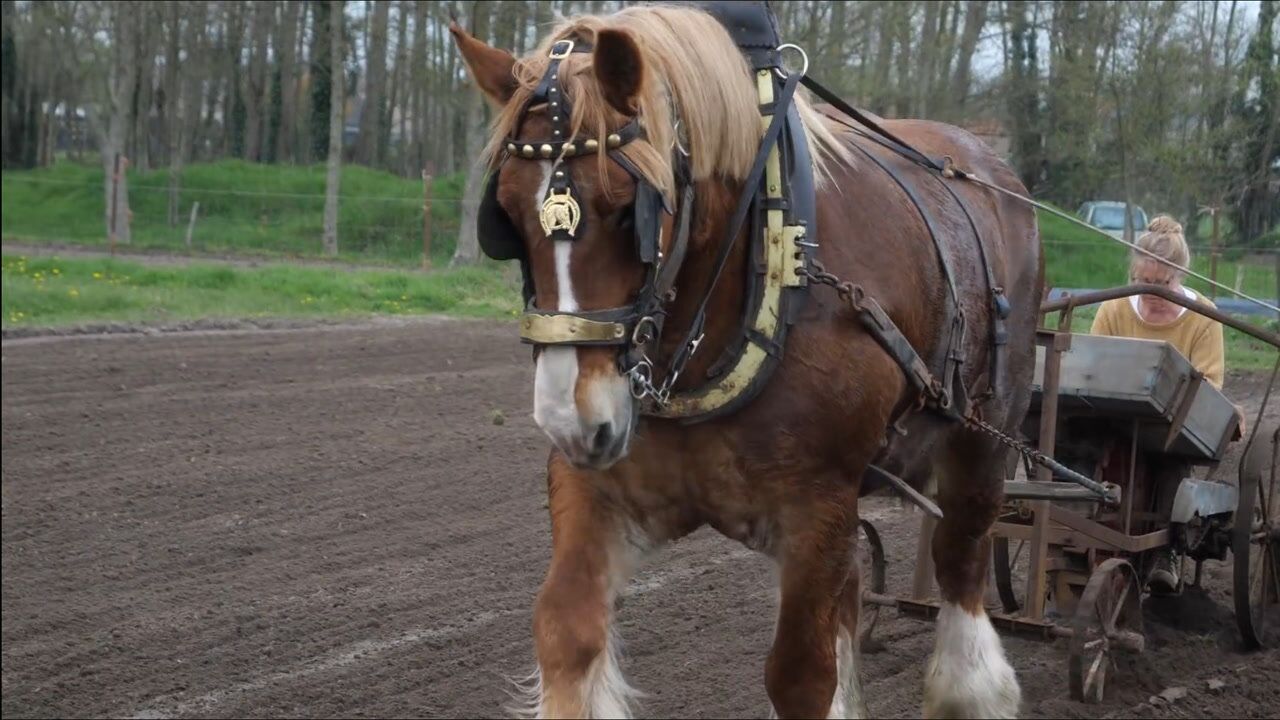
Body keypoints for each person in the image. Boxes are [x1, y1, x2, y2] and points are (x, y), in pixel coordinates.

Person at [1089, 215, 1227, 594]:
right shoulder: (1114, 309)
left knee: (1170, 455)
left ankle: (1166, 551)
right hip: (1115, 413)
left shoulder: (1203, 318)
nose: (1152, 292)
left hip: (1171, 424)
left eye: (1162, 284)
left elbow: (1211, 382)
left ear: (1178, 275)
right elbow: (1092, 363)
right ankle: (1083, 534)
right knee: (1082, 443)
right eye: (1144, 282)